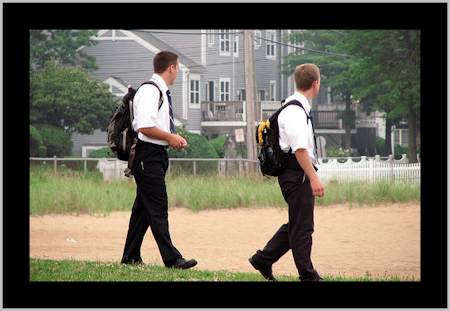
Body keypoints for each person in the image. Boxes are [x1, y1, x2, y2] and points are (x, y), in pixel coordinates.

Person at [121, 51, 197, 270]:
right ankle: (172, 259)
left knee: (143, 210)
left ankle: (130, 256)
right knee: (157, 207)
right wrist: (170, 137)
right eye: (178, 69)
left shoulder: (160, 91)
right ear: (171, 68)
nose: (178, 74)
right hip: (147, 155)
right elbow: (144, 126)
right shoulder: (150, 91)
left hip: (155, 154)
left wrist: (171, 139)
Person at [249, 63, 325, 282]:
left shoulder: (295, 108)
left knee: (297, 224)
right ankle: (308, 275)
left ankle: (263, 259)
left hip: (294, 174)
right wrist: (314, 178)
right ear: (315, 84)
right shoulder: (295, 111)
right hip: (296, 175)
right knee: (303, 228)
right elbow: (300, 150)